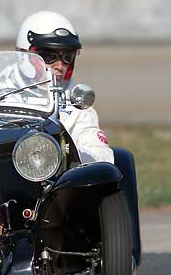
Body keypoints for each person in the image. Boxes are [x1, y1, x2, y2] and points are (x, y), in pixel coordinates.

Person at [15, 11, 114, 164]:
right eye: (49, 56)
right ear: (24, 55)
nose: (60, 66)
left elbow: (101, 156)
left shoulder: (78, 106)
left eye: (67, 57)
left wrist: (67, 154)